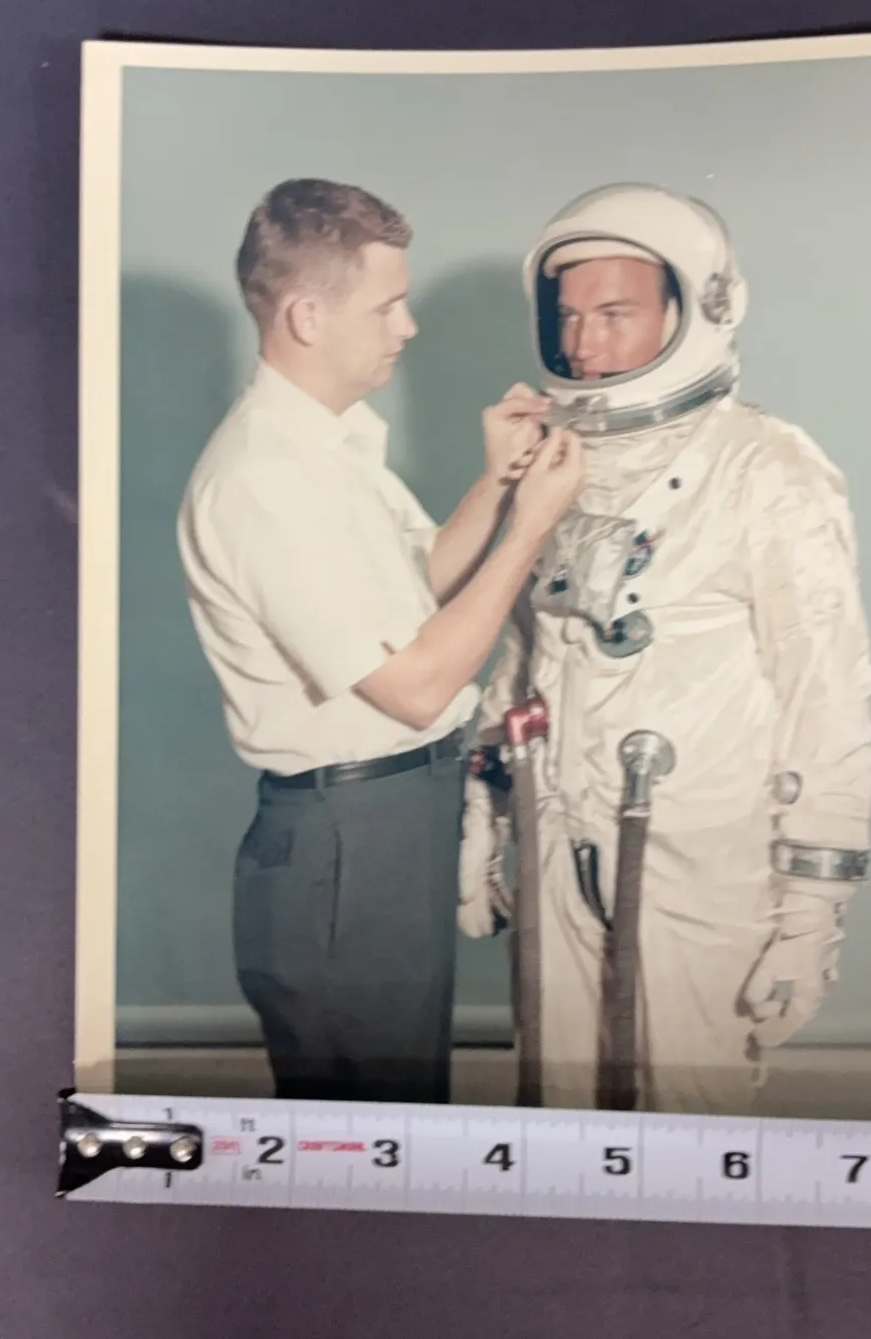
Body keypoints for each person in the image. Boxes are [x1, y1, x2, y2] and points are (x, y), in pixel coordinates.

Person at [458, 182, 871, 1115]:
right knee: (555, 1112)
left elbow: (827, 697)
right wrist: (485, 814)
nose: (584, 344)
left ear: (696, 309)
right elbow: (522, 653)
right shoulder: (552, 459)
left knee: (693, 1120)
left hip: (697, 863)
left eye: (615, 314)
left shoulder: (768, 469)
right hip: (558, 836)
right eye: (569, 317)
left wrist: (813, 913)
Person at [176, 177, 583, 1104]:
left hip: (383, 832)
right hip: (346, 848)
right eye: (386, 305)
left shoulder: (325, 451)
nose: (408, 326)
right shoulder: (268, 480)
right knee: (368, 1132)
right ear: (307, 316)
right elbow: (415, 686)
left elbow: (416, 589)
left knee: (402, 1114)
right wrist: (531, 527)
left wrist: (499, 483)